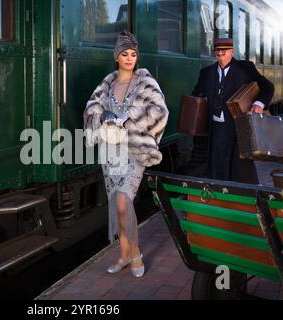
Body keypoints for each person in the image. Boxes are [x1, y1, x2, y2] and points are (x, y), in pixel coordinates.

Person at [83, 30, 169, 278]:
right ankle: (123, 254)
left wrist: (129, 119)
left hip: (134, 151)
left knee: (123, 202)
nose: (130, 58)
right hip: (111, 152)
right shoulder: (107, 84)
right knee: (117, 206)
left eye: (133, 54)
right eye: (125, 54)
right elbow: (91, 110)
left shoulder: (145, 82)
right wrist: (103, 118)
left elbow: (159, 112)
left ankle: (135, 253)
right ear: (117, 57)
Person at [192, 38, 275, 184]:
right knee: (217, 169)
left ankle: (243, 200)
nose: (220, 53)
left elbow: (267, 86)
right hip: (216, 128)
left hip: (239, 127)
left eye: (224, 50)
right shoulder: (206, 72)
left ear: (232, 51)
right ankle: (220, 198)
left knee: (240, 171)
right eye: (217, 50)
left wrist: (259, 103)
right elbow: (196, 94)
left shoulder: (245, 68)